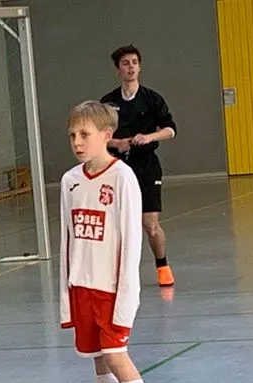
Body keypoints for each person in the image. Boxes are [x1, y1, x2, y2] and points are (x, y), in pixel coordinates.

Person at [59, 101, 165, 383]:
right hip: (82, 288)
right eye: (72, 135)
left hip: (112, 289)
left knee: (117, 355)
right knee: (99, 360)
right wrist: (66, 295)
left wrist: (125, 295)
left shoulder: (122, 178)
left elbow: (131, 241)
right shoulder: (70, 181)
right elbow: (67, 241)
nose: (77, 142)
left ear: (106, 135)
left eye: (84, 134)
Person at [101, 44, 177, 288]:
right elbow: (97, 136)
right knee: (118, 225)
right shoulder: (108, 103)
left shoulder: (152, 99)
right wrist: (117, 143)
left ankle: (162, 266)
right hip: (118, 167)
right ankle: (119, 272)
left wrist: (148, 137)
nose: (131, 67)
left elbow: (170, 130)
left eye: (134, 62)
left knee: (150, 224)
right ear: (118, 69)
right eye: (125, 63)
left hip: (146, 166)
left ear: (139, 67)